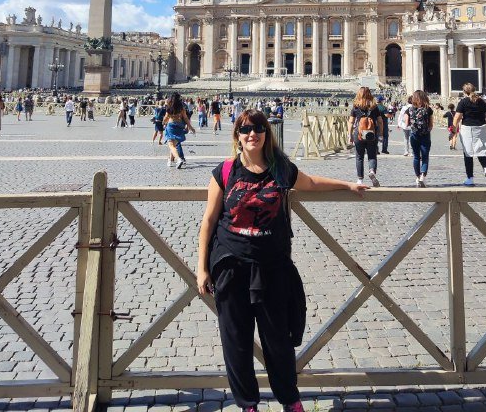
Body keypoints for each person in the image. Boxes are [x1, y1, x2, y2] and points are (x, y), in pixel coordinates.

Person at [197, 109, 367, 412]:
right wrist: (201, 268)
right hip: (231, 266)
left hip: (272, 267)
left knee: (278, 339)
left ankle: (290, 399)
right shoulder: (224, 171)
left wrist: (348, 185)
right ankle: (248, 404)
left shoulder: (280, 168)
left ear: (266, 133)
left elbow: (311, 183)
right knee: (236, 340)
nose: (252, 134)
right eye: (246, 129)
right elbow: (208, 222)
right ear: (237, 135)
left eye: (258, 128)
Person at [451, 83, 486, 186]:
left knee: (468, 154)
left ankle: (470, 178)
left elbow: (457, 117)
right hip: (481, 128)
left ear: (464, 92)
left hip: (467, 129)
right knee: (481, 151)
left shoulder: (463, 102)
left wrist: (453, 130)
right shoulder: (482, 102)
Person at [347, 86, 383, 187]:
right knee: (372, 155)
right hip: (371, 134)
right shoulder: (374, 106)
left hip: (358, 135)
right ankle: (372, 171)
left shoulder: (356, 106)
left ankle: (360, 180)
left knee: (359, 157)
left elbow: (351, 122)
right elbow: (380, 121)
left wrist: (349, 135)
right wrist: (380, 134)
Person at [404, 90, 433, 188]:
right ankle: (422, 175)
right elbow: (431, 125)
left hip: (414, 136)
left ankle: (417, 176)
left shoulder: (409, 109)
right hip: (425, 135)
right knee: (425, 157)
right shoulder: (428, 109)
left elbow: (406, 122)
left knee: (416, 157)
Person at [163, 92, 195, 168]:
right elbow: (186, 118)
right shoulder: (181, 108)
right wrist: (190, 127)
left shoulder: (169, 107)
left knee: (171, 145)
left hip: (171, 126)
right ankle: (170, 160)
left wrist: (163, 122)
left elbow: (166, 118)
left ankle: (178, 159)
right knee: (173, 145)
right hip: (179, 126)